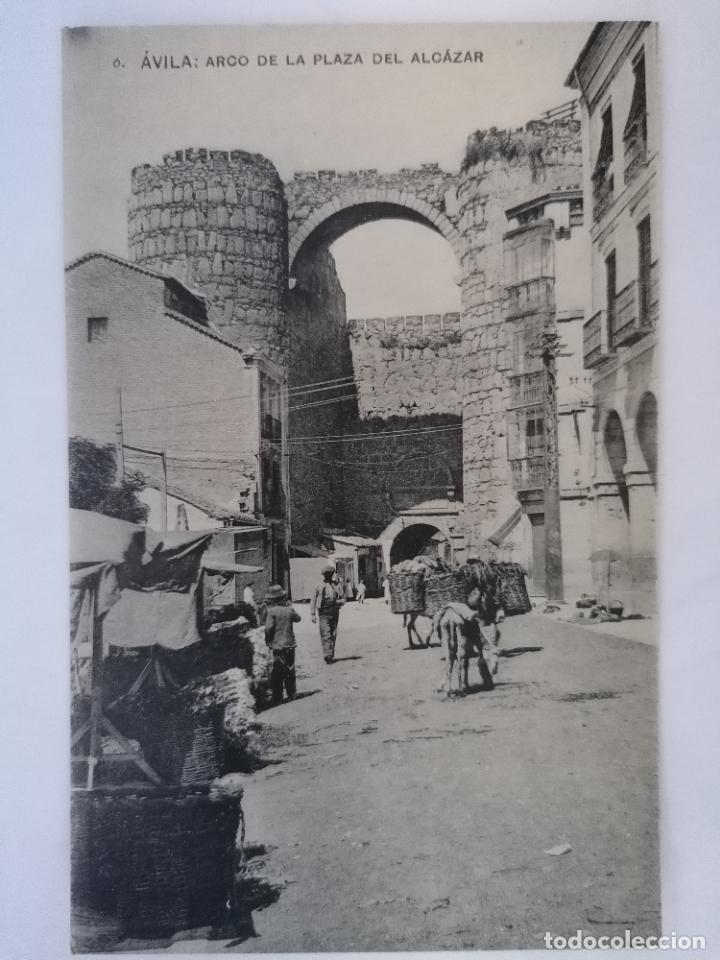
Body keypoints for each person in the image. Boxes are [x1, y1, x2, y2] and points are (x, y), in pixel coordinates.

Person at [264, 584, 301, 703]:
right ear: (283, 597)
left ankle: (278, 696)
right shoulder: (289, 610)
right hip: (290, 644)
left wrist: (268, 640)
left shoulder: (272, 612)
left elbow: (268, 628)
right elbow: (298, 618)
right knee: (290, 668)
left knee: (277, 670)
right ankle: (292, 694)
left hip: (278, 645)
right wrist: (290, 608)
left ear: (272, 599)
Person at [311, 564, 345, 664]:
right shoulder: (319, 585)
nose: (329, 576)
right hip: (323, 612)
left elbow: (343, 597)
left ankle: (331, 653)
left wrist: (341, 601)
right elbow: (313, 600)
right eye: (327, 574)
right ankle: (327, 654)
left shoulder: (337, 585)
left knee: (333, 633)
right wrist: (312, 614)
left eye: (330, 574)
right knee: (325, 633)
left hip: (334, 611)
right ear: (324, 575)